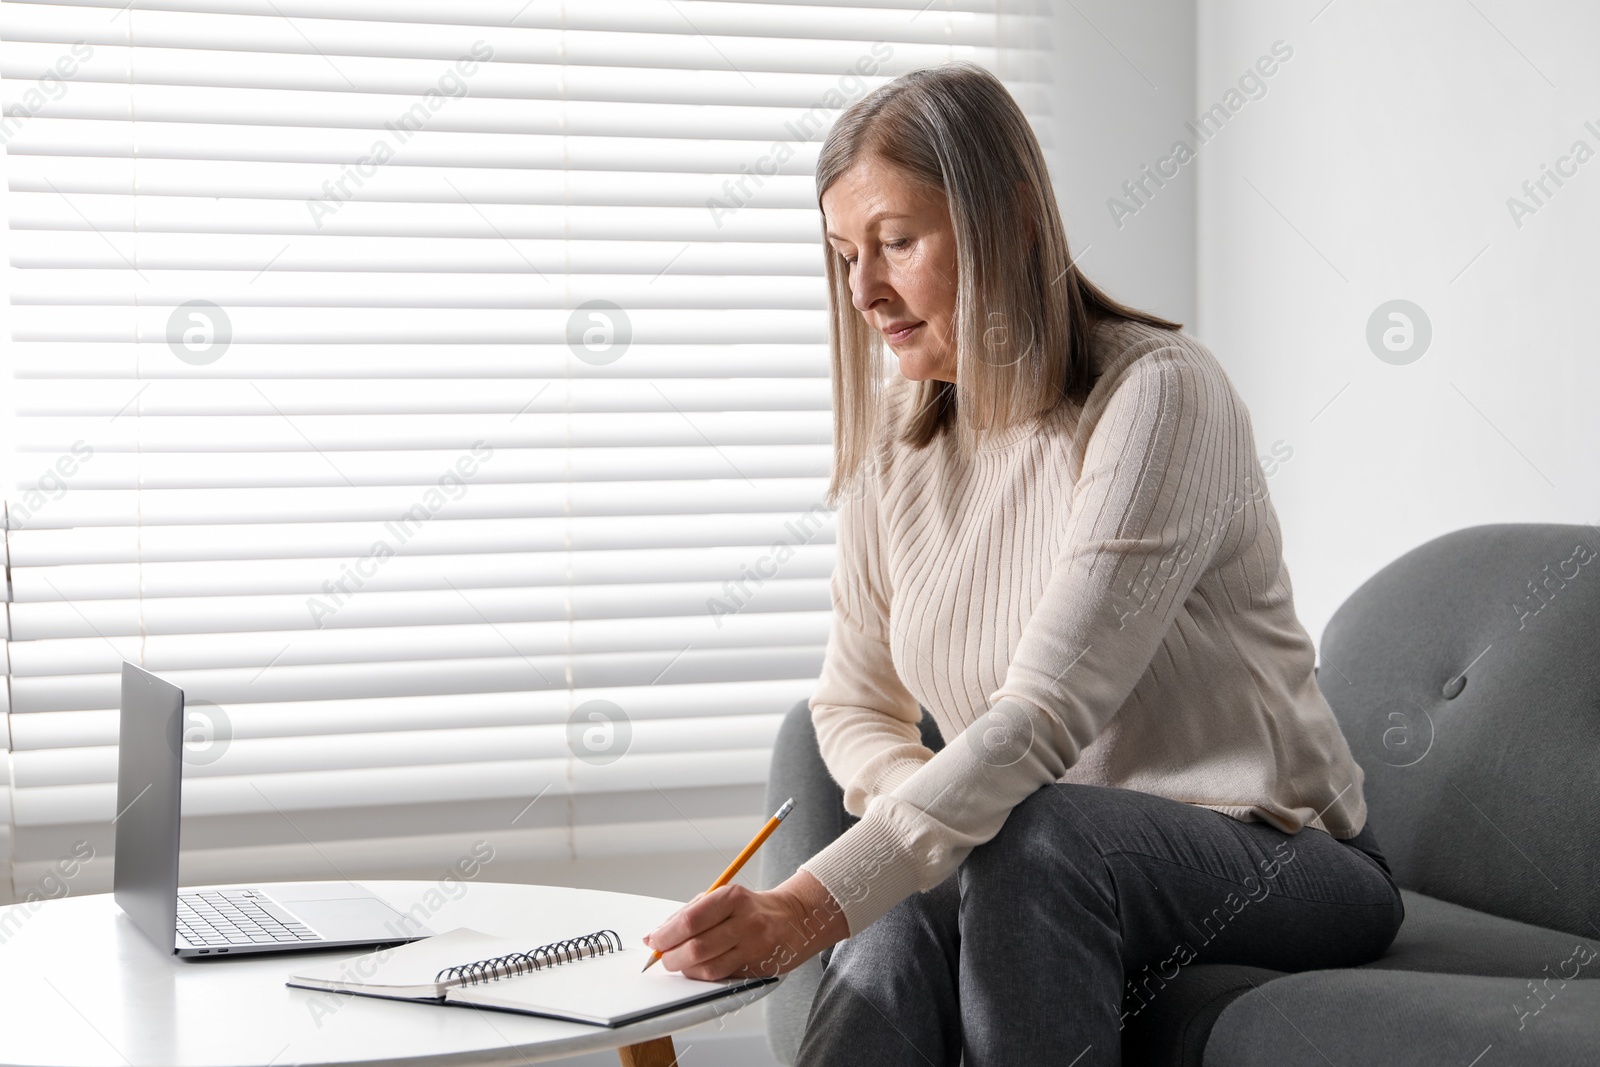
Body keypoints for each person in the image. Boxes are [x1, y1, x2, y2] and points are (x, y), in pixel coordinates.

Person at [643, 62, 1404, 1066]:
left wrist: (810, 902)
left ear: (1005, 217)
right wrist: (919, 825)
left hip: (1280, 854)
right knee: (911, 887)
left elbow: (1042, 713)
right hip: (1038, 844)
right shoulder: (895, 447)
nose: (864, 291)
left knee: (1012, 837)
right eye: (843, 256)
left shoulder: (1156, 397)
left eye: (896, 243)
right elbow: (851, 705)